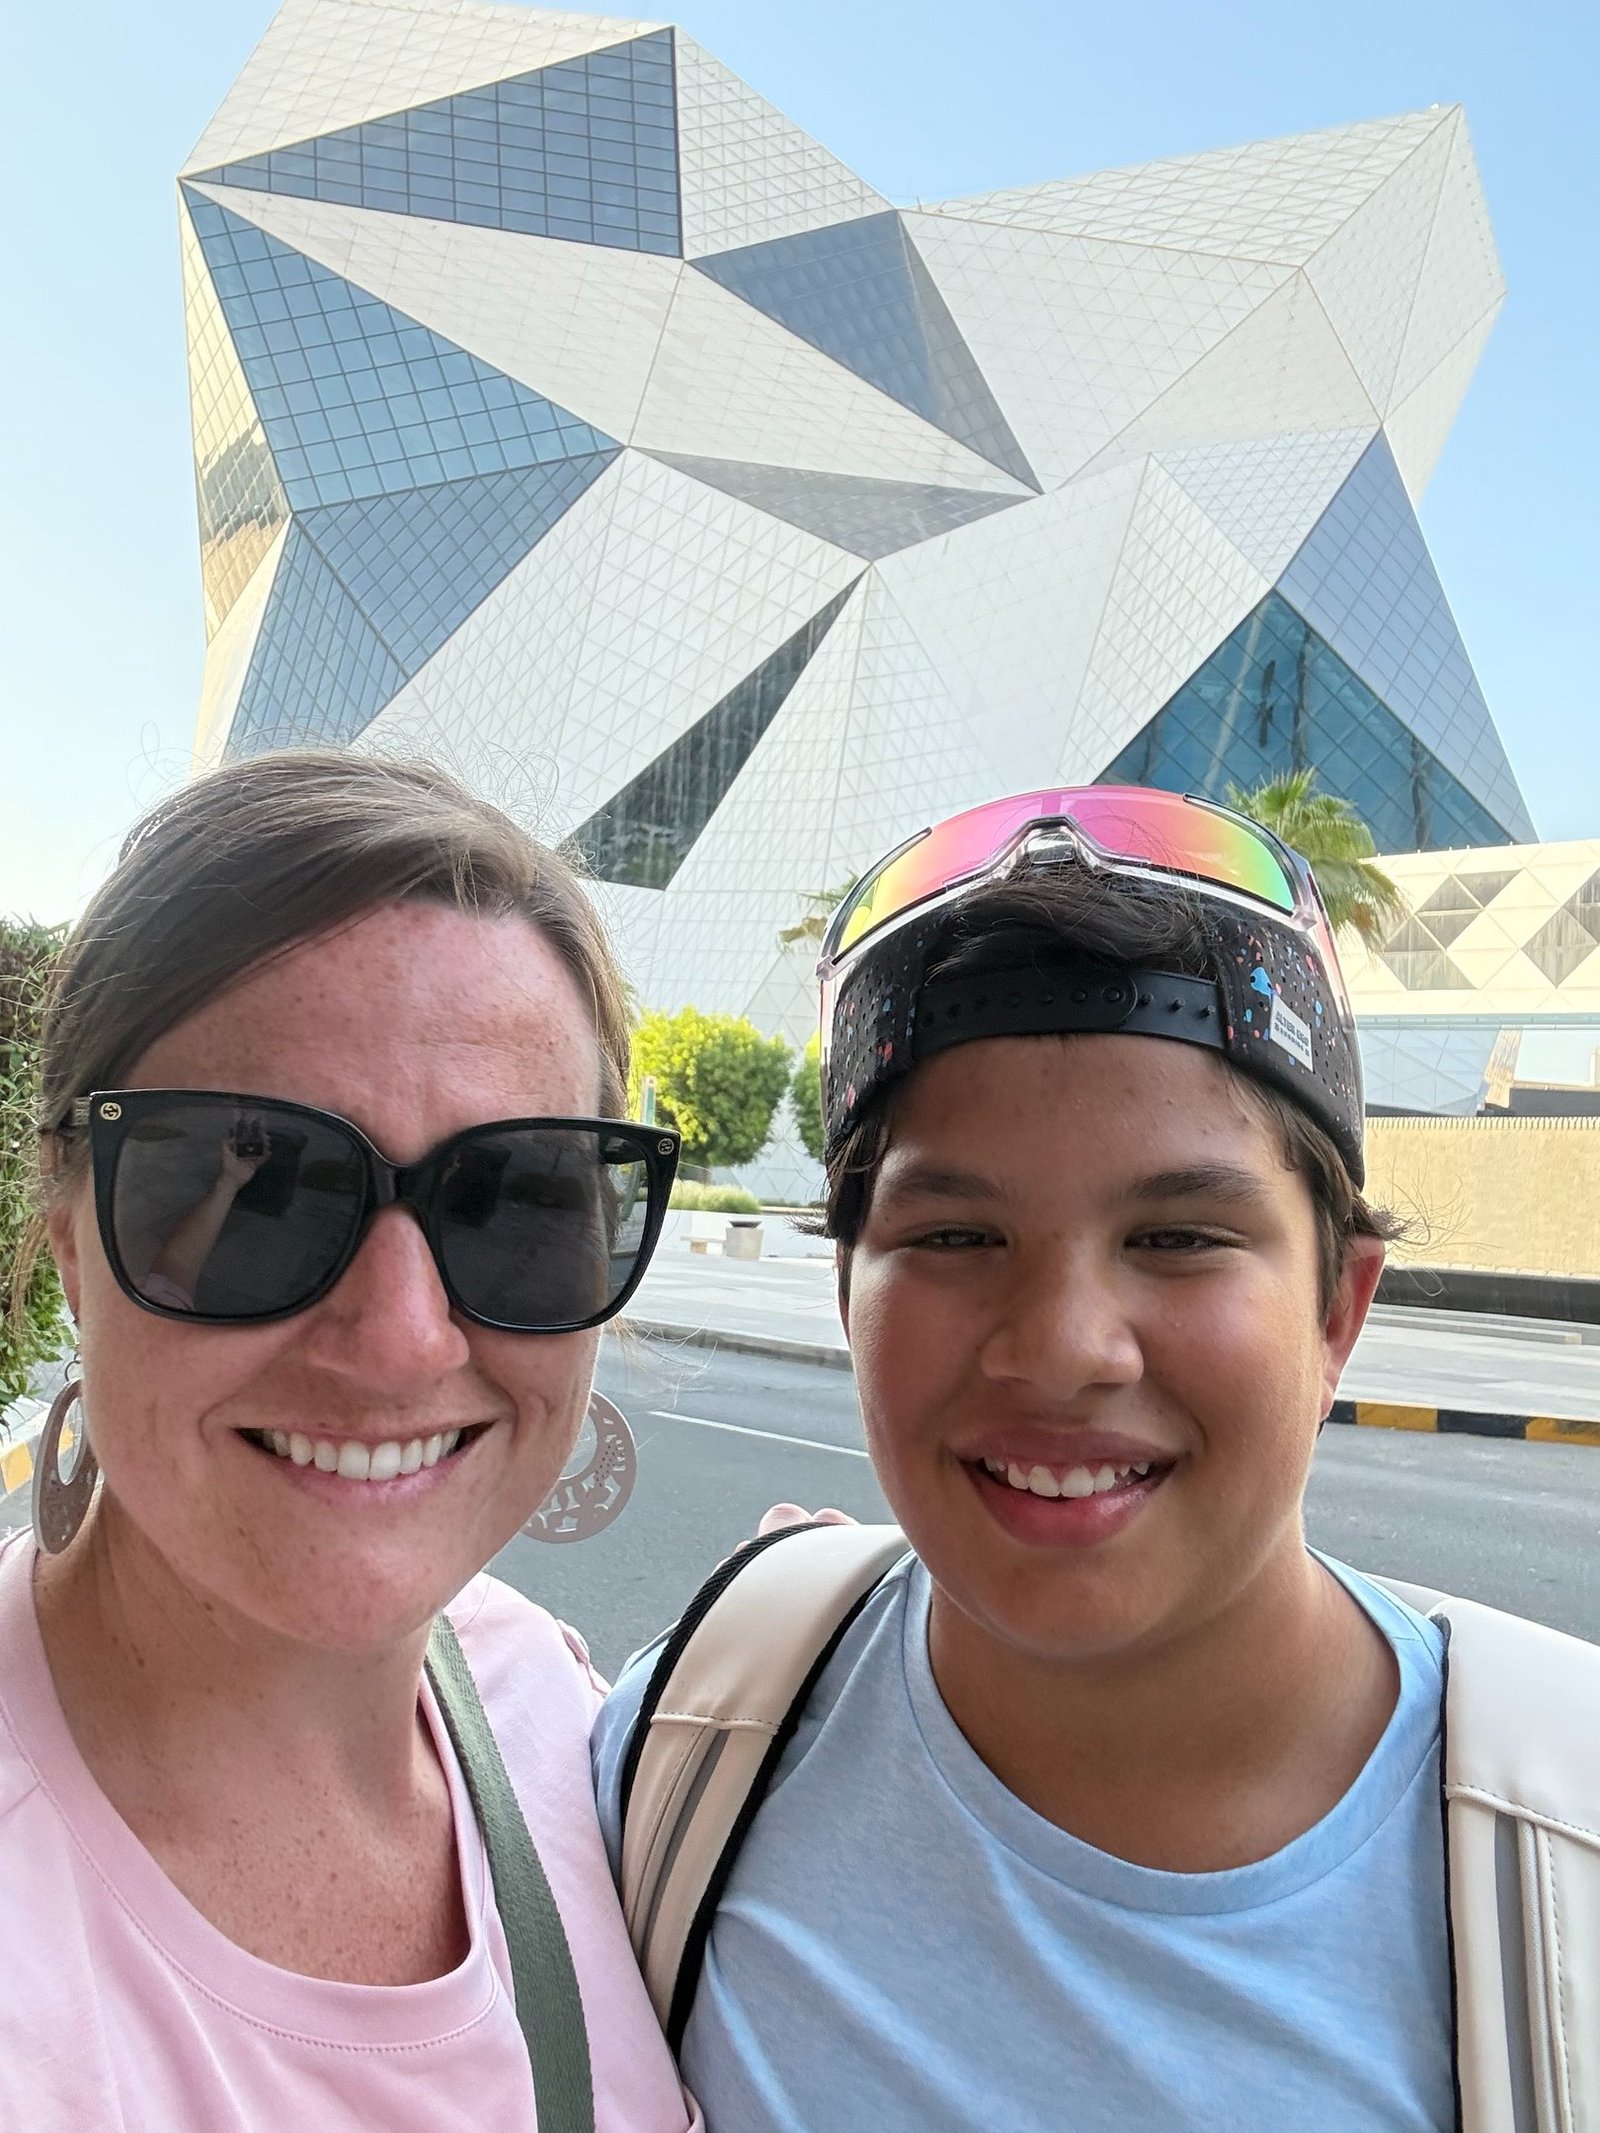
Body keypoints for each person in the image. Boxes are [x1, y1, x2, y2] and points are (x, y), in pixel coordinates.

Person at [596, 787, 1600, 2132]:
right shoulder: (678, 1754)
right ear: (847, 1296)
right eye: (956, 1238)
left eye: (1178, 1238)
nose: (1064, 1351)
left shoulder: (1567, 1878)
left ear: (1338, 1311)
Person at [3, 751, 700, 2130]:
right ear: (72, 1237)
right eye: (260, 1187)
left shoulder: (555, 1709)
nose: (402, 1339)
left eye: (513, 1197)